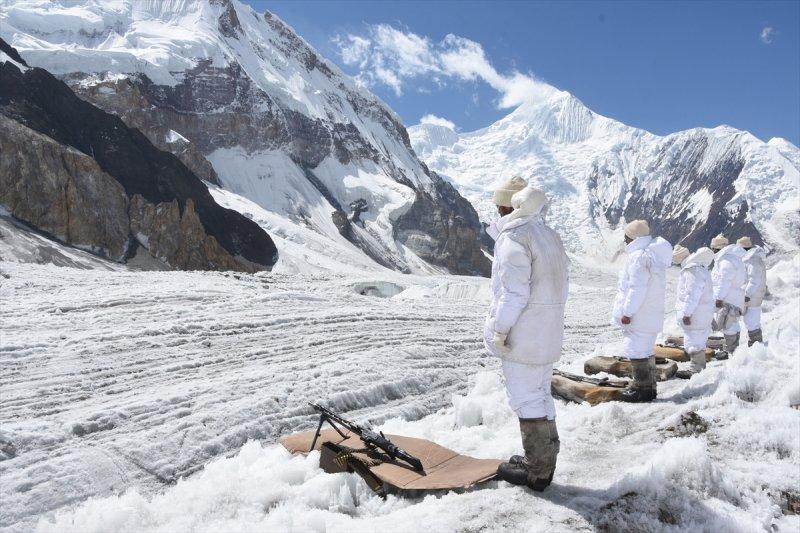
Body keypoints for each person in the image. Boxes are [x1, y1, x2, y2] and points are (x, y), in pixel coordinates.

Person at [484, 176, 569, 492]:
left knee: (525, 398)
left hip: (524, 338)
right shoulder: (548, 236)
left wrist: (499, 330)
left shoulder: (515, 238)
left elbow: (513, 294)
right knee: (541, 394)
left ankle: (537, 472)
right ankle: (544, 460)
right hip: (547, 334)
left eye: (497, 206)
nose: (495, 211)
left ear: (507, 205)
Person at [610, 220, 672, 402]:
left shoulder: (638, 257)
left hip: (639, 315)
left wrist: (628, 312)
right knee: (644, 350)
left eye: (627, 237)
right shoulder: (651, 255)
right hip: (648, 314)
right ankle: (649, 388)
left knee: (636, 350)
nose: (625, 240)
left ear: (633, 238)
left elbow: (636, 288)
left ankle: (641, 389)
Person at [671, 245, 715, 379]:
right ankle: (698, 367)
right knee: (698, 339)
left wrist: (686, 313)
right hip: (702, 312)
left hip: (696, 313)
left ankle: (696, 370)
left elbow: (692, 294)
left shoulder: (691, 270)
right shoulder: (699, 267)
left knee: (693, 341)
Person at [709, 235, 747, 354]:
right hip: (734, 297)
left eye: (713, 249)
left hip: (728, 298)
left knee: (728, 324)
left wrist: (719, 298)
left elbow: (724, 281)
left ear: (717, 249)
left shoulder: (726, 261)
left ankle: (731, 349)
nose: (712, 251)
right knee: (732, 322)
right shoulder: (732, 258)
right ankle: (734, 348)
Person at [738, 236, 767, 346]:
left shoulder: (753, 260)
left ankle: (756, 343)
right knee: (750, 319)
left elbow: (754, 279)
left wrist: (747, 294)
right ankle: (754, 342)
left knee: (752, 320)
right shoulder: (752, 259)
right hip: (754, 295)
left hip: (753, 295)